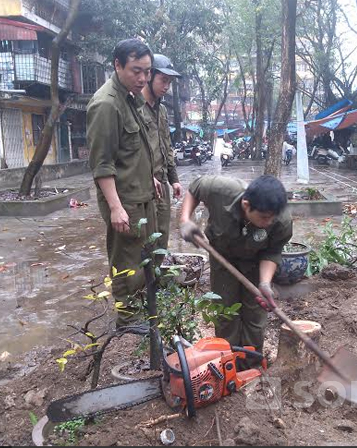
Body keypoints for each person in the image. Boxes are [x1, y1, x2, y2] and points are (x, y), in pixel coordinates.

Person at [179, 175, 293, 359]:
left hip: (256, 263)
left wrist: (264, 283)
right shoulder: (220, 189)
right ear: (246, 205)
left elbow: (272, 252)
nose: (268, 223)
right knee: (225, 313)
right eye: (264, 218)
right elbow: (195, 188)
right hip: (222, 256)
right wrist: (185, 220)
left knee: (255, 318)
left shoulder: (281, 221)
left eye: (272, 218)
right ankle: (227, 362)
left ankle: (251, 364)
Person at [87, 38, 156, 328]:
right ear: (117, 65)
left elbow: (133, 149)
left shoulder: (132, 96)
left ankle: (143, 309)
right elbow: (102, 163)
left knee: (145, 256)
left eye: (147, 71)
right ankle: (128, 319)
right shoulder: (106, 105)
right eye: (136, 70)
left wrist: (149, 175)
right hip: (124, 200)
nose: (143, 78)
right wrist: (115, 208)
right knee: (125, 260)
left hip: (141, 193)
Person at [141, 54, 183, 263]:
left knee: (163, 234)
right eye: (163, 80)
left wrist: (174, 178)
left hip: (162, 182)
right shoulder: (136, 109)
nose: (166, 86)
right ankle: (145, 285)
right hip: (144, 184)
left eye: (169, 82)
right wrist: (146, 176)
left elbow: (167, 147)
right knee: (147, 236)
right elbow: (132, 152)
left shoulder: (163, 111)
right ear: (150, 76)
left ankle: (157, 281)